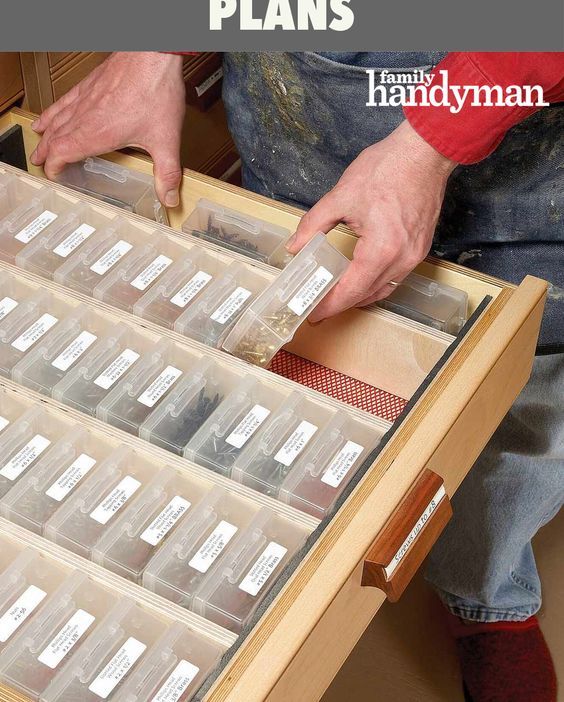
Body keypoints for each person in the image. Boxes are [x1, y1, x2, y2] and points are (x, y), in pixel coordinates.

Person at [30, 50, 563, 702]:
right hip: (308, 112)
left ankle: (487, 595)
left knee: (522, 401)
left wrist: (434, 139)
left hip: (527, 147)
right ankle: (267, 575)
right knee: (289, 347)